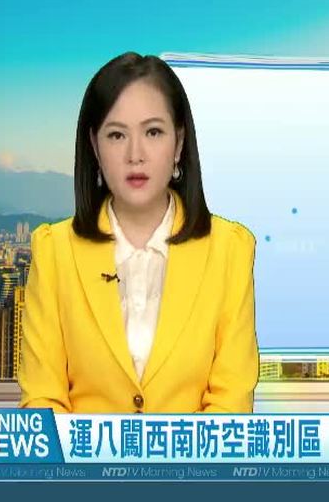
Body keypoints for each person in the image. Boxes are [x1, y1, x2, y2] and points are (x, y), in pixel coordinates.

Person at [18, 52, 259, 413]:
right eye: (117, 135)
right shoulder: (54, 252)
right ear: (94, 146)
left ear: (179, 143)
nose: (135, 154)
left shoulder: (230, 251)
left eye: (153, 132)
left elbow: (230, 406)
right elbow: (42, 402)